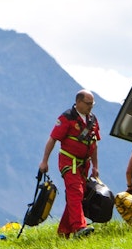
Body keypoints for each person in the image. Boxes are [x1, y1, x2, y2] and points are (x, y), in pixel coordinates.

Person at [40, 89, 101, 238]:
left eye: (92, 104)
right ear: (78, 102)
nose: (90, 107)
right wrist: (44, 161)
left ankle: (63, 231)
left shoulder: (92, 120)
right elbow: (53, 139)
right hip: (69, 162)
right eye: (88, 104)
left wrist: (95, 166)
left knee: (78, 195)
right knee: (76, 192)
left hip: (84, 165)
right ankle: (79, 227)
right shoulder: (67, 118)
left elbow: (94, 144)